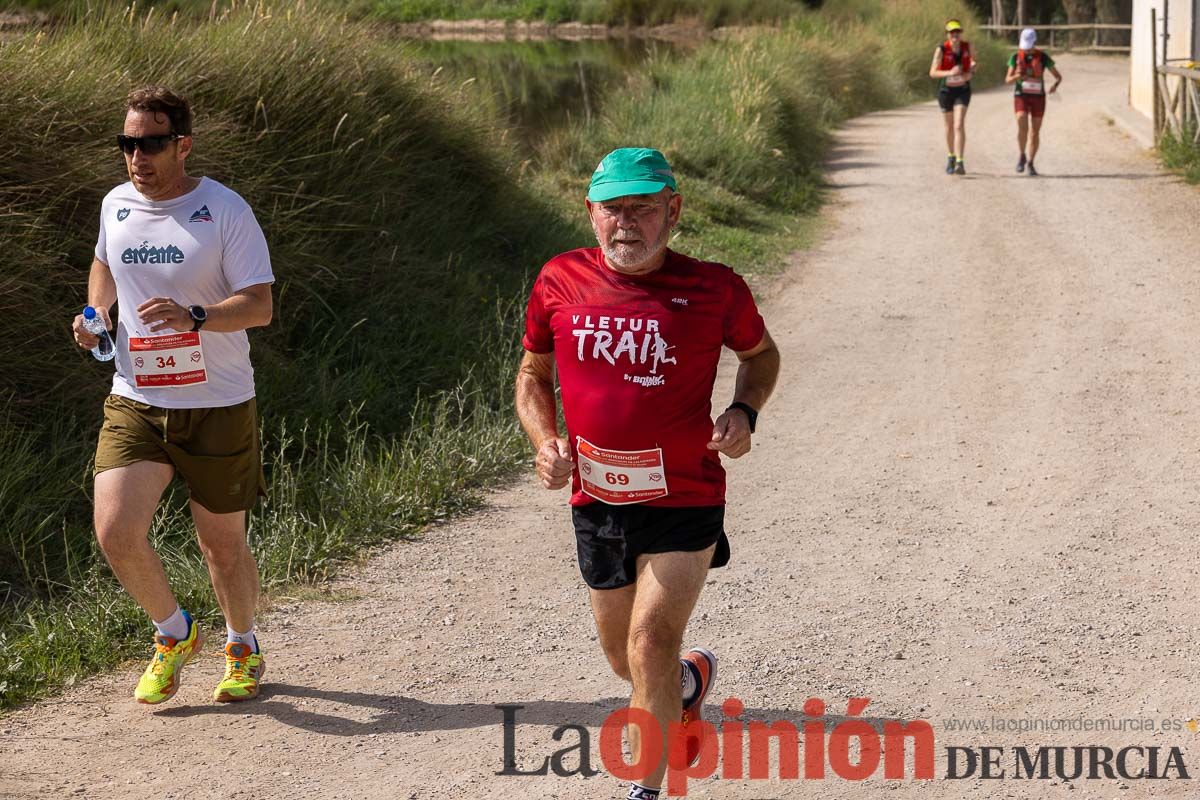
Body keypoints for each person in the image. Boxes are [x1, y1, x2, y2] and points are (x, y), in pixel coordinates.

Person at [515, 147, 780, 800]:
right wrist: (545, 439)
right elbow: (532, 375)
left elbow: (761, 355)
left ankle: (647, 789)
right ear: (590, 214)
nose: (626, 222)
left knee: (651, 641)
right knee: (623, 659)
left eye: (642, 208)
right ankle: (686, 688)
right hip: (598, 500)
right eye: (613, 208)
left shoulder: (716, 288)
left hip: (685, 495)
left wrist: (745, 410)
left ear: (673, 211)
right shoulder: (559, 281)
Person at [71, 86, 275, 705]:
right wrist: (94, 314)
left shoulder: (225, 210)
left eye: (153, 143)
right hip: (135, 395)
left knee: (220, 544)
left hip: (217, 401)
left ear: (182, 145)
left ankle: (242, 645)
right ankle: (173, 632)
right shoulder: (116, 205)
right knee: (115, 530)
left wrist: (195, 316)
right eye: (129, 144)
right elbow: (105, 263)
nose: (139, 157)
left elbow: (260, 306)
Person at [1006, 28, 1063, 176]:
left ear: (1035, 42)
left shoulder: (1043, 57)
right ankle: (1021, 155)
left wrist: (1054, 86)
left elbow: (1058, 76)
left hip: (1038, 97)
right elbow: (1007, 80)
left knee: (1035, 132)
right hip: (1021, 95)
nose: (1027, 49)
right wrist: (1017, 77)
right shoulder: (1016, 57)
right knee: (1021, 122)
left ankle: (1031, 162)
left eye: (1030, 45)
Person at [929, 19, 976, 175]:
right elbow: (933, 73)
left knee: (958, 124)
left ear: (960, 33)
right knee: (949, 126)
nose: (955, 35)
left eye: (957, 32)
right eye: (952, 32)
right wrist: (950, 73)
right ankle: (951, 156)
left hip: (962, 90)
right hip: (946, 91)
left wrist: (972, 71)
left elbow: (973, 64)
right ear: (947, 34)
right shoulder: (941, 49)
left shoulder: (967, 47)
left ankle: (960, 162)